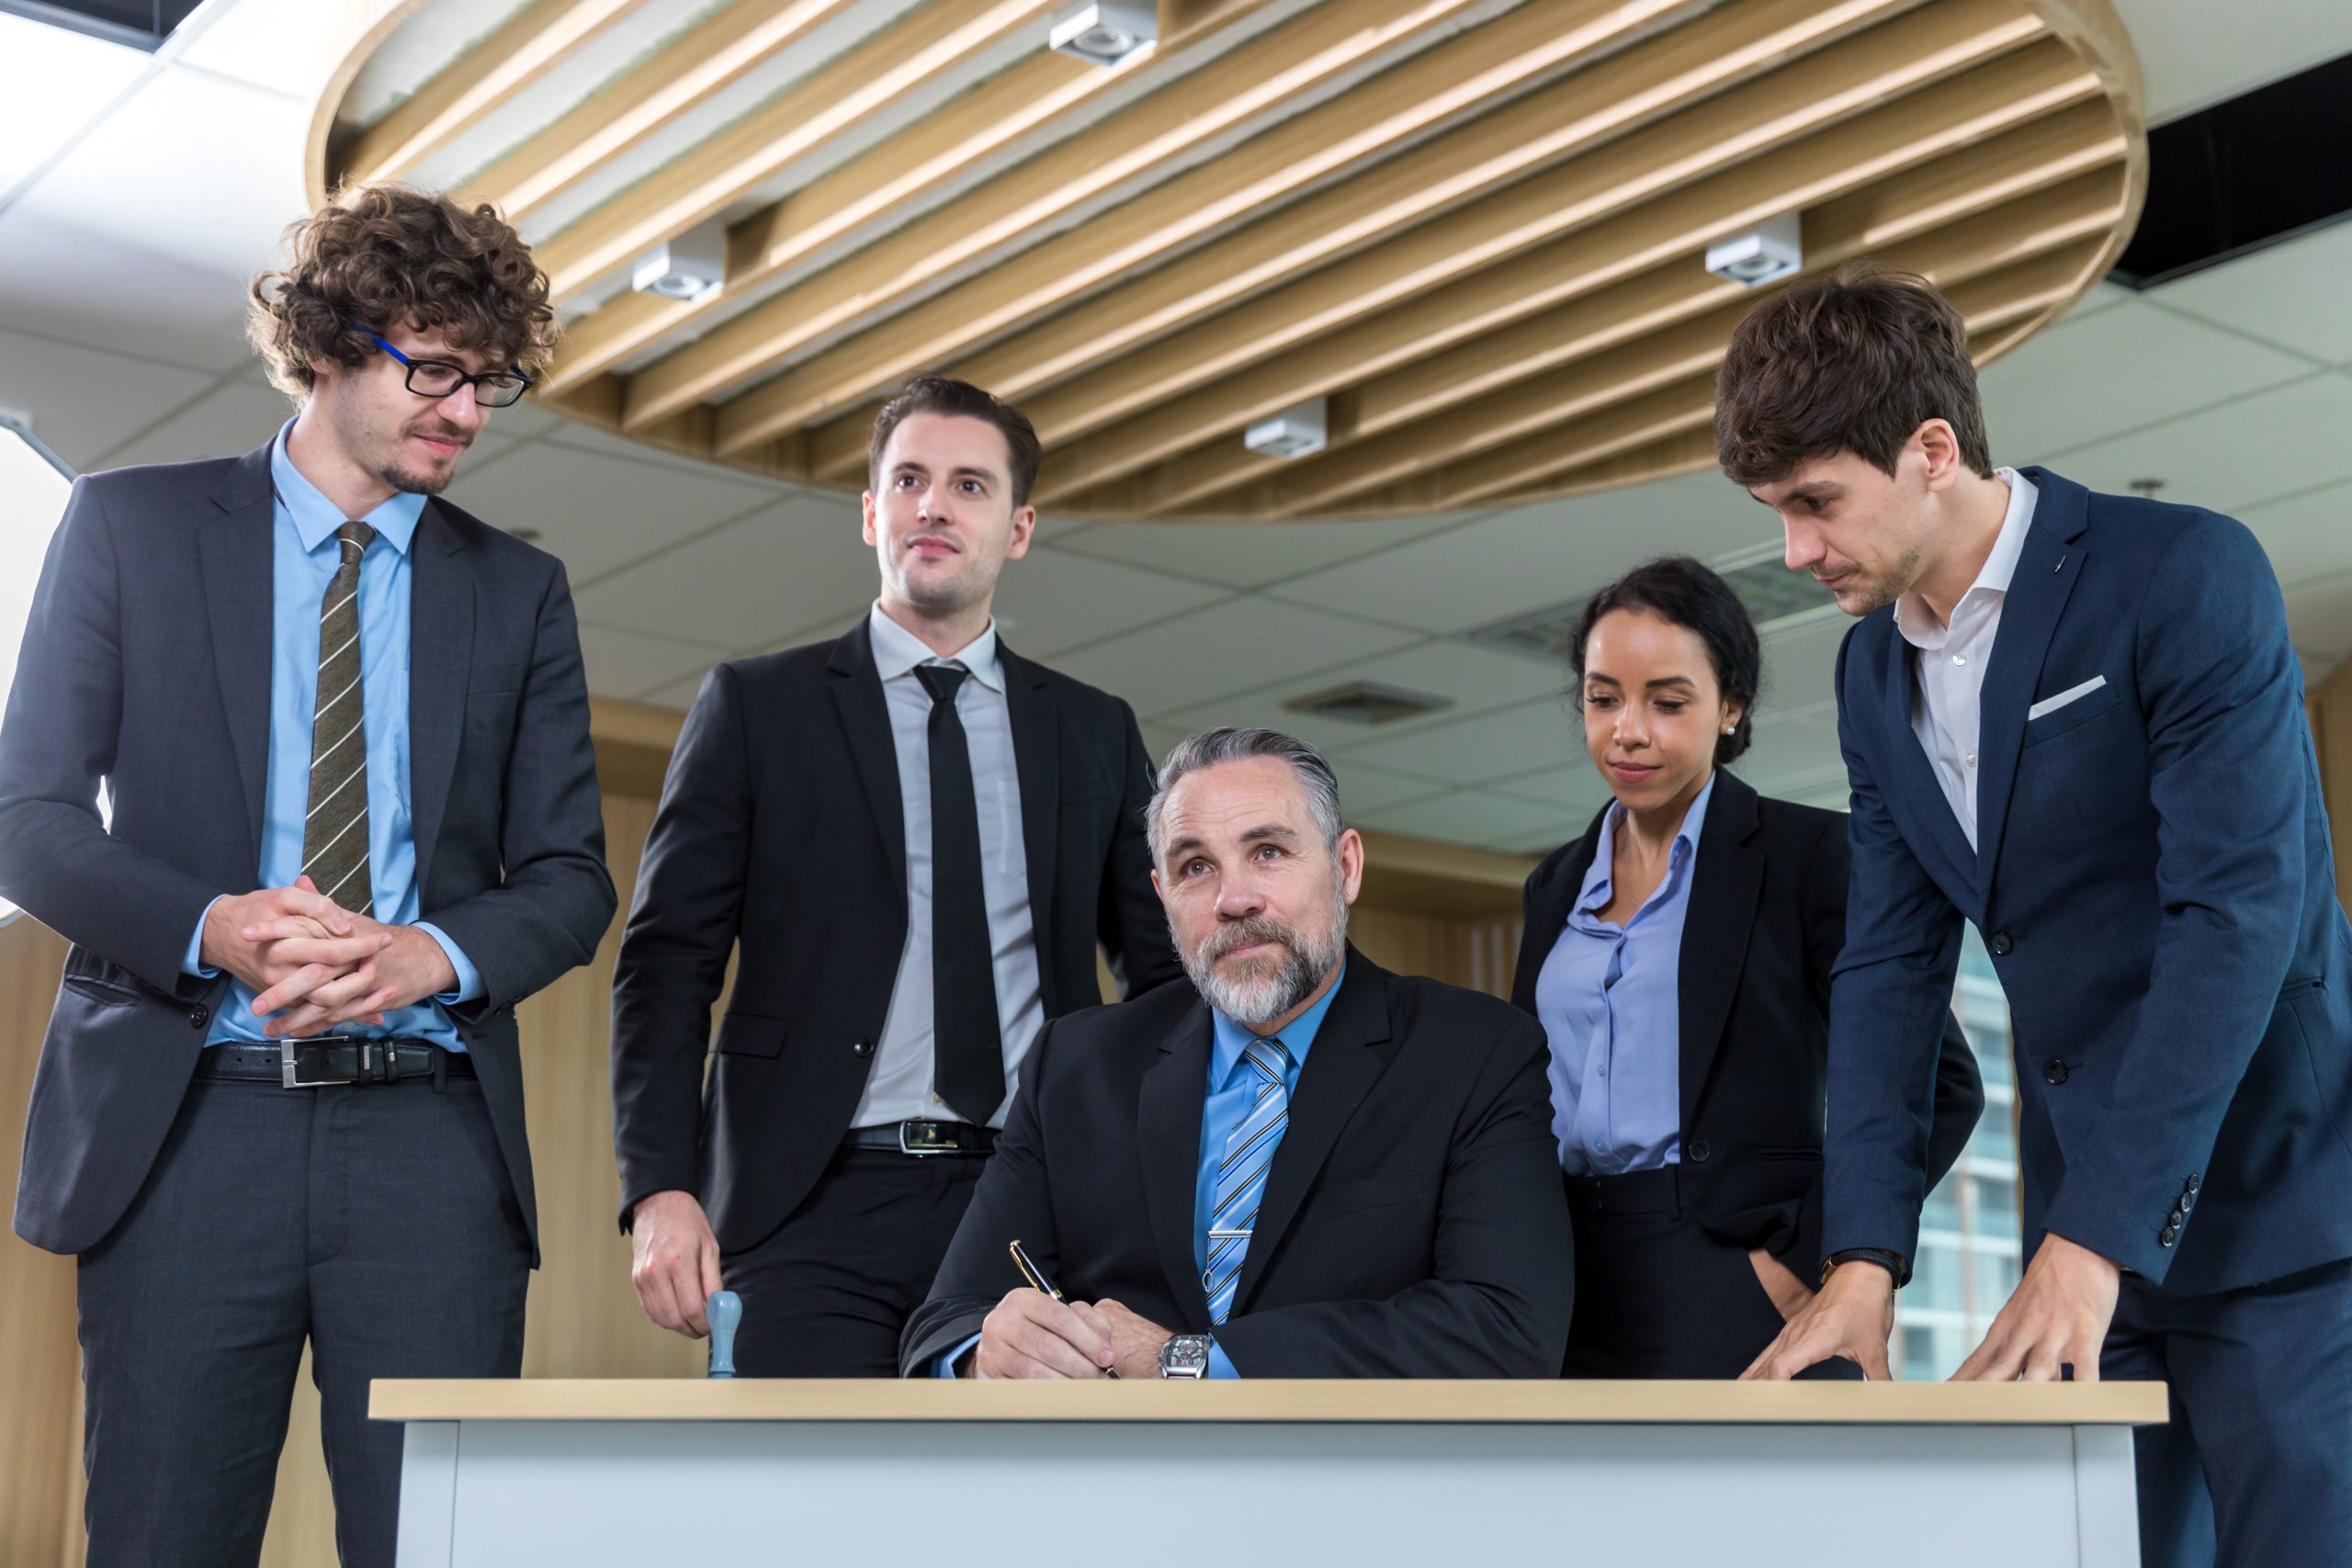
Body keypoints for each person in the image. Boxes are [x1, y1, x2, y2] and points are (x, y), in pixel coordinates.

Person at [0, 185, 615, 1566]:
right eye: (435, 366)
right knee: (161, 1536)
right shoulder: (128, 528)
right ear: (331, 341)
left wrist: (428, 953)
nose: (466, 408)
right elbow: (26, 818)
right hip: (183, 1130)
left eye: (490, 378)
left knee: (434, 1545)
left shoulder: (519, 592)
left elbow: (571, 876)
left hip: (430, 1147)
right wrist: (206, 921)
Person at [1724, 262, 2352, 1564]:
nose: (1793, 550)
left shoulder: (2181, 573)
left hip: (2289, 1214)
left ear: (1933, 450)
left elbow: (2236, 915)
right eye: (1776, 511)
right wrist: (1865, 1258)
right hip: (2077, 1233)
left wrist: (2100, 1234)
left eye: (1815, 502)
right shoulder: (1868, 670)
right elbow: (1891, 967)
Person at [612, 375, 1182, 1376]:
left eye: (969, 485)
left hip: (1029, 1205)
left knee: (1013, 1529)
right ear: (872, 513)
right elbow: (666, 965)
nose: (933, 504)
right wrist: (660, 1188)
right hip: (805, 1203)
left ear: (1017, 528)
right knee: (809, 1521)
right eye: (909, 479)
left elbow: (1167, 983)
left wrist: (1139, 1172)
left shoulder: (1091, 729)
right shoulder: (757, 707)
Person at [899, 727, 1573, 1380]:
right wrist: (985, 1354)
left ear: (1346, 867)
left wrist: (1183, 1363)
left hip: (1360, 1479)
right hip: (1114, 1480)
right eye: (1196, 867)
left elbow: (1507, 1325)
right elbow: (945, 1321)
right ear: (1164, 898)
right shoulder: (1075, 1065)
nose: (1234, 899)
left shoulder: (1477, 1051)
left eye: (1269, 852)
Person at [1512, 556, 1982, 1379]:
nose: (1629, 729)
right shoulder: (1552, 884)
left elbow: (1941, 1085)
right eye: (1603, 698)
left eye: (1667, 701)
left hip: (1738, 1266)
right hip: (1568, 1275)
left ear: (1731, 706)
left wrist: (1805, 1263)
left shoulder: (1810, 859)